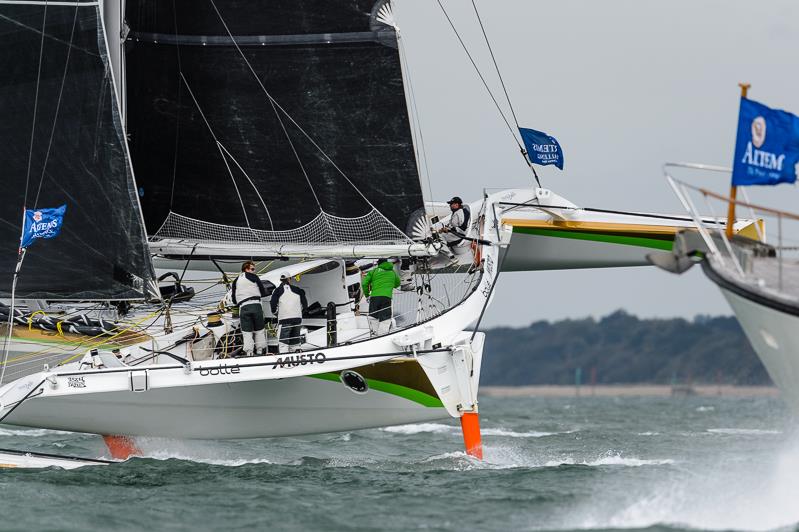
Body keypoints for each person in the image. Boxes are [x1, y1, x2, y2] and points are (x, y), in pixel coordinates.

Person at [231, 261, 268, 356]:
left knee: (247, 331)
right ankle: (260, 350)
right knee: (259, 329)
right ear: (246, 269)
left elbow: (234, 299)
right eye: (252, 269)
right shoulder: (254, 277)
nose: (254, 271)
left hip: (243, 308)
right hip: (255, 305)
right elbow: (263, 291)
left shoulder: (235, 281)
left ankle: (249, 352)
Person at [270, 271, 308, 352]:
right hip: (297, 319)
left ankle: (285, 361)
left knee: (283, 343)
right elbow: (305, 304)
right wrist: (301, 313)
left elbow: (273, 304)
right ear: (289, 279)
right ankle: (296, 360)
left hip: (284, 320)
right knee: (295, 342)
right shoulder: (298, 290)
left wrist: (275, 313)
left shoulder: (277, 291)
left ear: (281, 280)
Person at [361, 258, 401, 336]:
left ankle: (374, 334)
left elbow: (364, 284)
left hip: (374, 297)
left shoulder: (374, 271)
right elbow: (397, 283)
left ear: (379, 264)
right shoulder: (392, 272)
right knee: (385, 318)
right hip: (387, 297)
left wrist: (367, 295)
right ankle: (382, 335)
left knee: (373, 317)